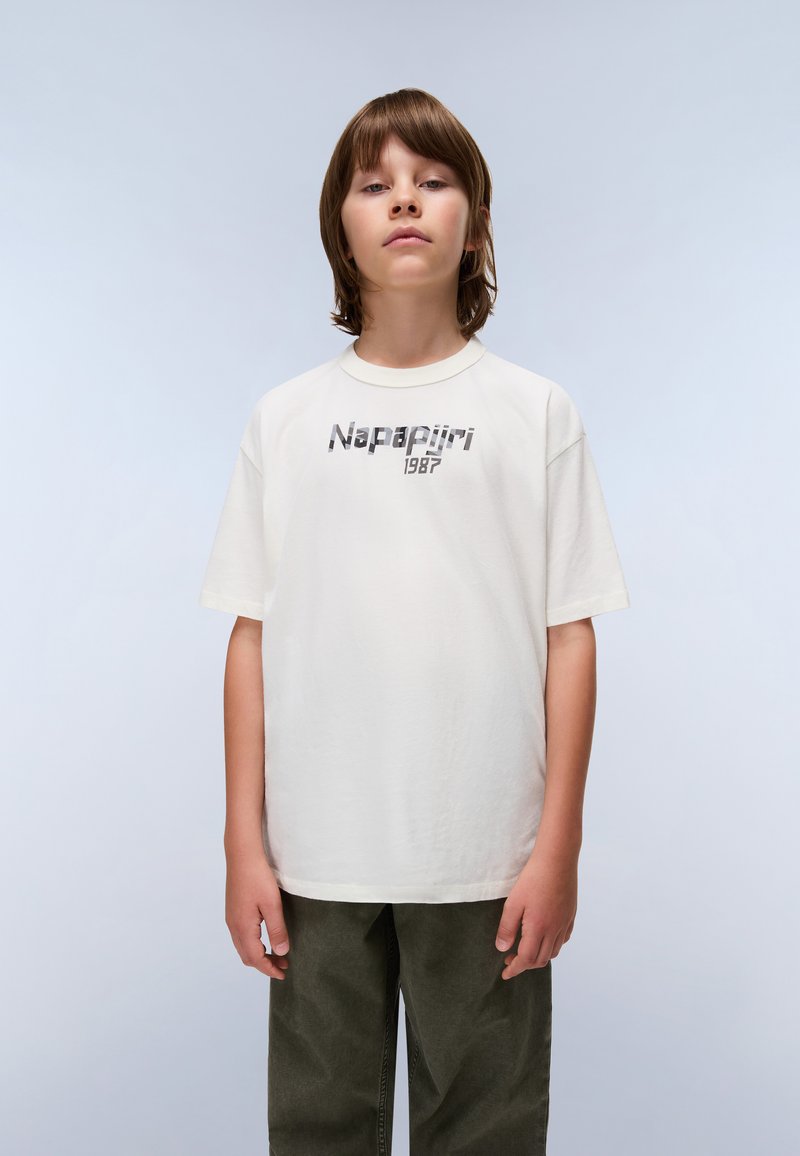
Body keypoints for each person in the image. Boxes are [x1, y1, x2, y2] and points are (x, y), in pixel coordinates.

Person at [199, 87, 630, 1155]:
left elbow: (568, 634)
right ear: (339, 229)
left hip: (486, 856)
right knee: (319, 1128)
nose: (403, 201)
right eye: (374, 184)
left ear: (472, 226)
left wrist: (558, 844)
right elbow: (251, 636)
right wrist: (243, 840)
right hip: (316, 857)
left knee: (484, 1128)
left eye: (432, 182)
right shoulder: (285, 420)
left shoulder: (535, 413)